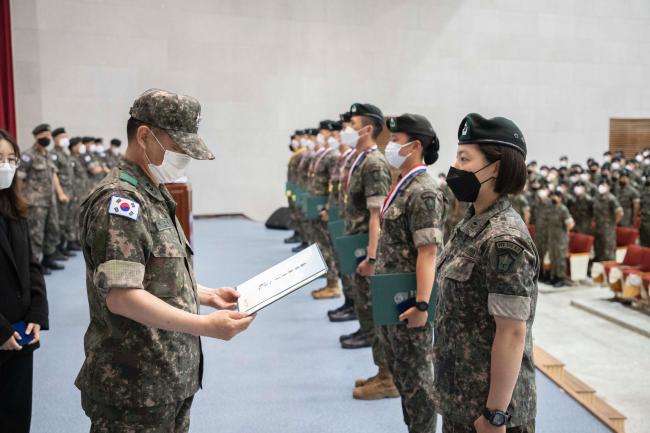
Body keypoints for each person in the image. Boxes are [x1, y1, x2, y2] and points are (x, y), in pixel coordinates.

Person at [75, 89, 255, 432]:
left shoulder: (151, 191)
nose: (183, 158)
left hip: (167, 375)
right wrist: (206, 326)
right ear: (145, 135)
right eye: (177, 148)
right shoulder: (120, 202)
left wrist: (206, 294)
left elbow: (154, 273)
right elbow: (122, 296)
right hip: (134, 386)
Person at [435, 113, 537, 433]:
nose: (455, 166)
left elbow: (512, 332)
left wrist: (495, 416)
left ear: (495, 167)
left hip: (489, 412)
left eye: (465, 158)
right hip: (460, 398)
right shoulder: (470, 224)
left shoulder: (504, 239)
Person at [374, 114, 444, 433]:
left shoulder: (424, 191)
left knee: (417, 381)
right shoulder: (402, 184)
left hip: (410, 302)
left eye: (396, 139)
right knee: (404, 375)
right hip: (393, 296)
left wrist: (423, 305)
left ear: (415, 146)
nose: (390, 145)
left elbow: (427, 252)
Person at [342, 103, 397, 400]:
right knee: (366, 312)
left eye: (352, 123)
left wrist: (372, 256)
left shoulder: (374, 163)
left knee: (375, 313)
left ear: (367, 129)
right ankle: (382, 370)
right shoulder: (361, 160)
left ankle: (389, 377)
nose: (347, 129)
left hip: (368, 247)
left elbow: (377, 215)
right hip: (358, 244)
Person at [0, 129, 49, 433]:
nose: (5, 166)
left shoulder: (15, 209)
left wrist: (37, 315)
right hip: (1, 332)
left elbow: (31, 265)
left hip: (20, 336)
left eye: (10, 159)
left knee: (16, 415)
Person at [17, 123, 66, 274]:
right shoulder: (27, 155)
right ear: (35, 137)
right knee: (36, 235)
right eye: (43, 136)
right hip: (35, 202)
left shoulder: (48, 155)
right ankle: (35, 265)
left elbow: (53, 176)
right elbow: (19, 179)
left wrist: (60, 193)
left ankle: (48, 259)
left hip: (50, 201)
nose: (46, 138)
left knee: (52, 231)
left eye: (48, 136)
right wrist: (18, 199)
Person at [51, 127, 78, 257]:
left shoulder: (65, 154)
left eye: (65, 137)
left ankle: (64, 246)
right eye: (62, 137)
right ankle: (57, 249)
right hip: (60, 193)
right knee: (60, 222)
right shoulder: (53, 154)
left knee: (68, 220)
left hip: (69, 192)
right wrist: (60, 192)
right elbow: (53, 175)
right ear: (54, 139)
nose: (65, 139)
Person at [546, 190, 574, 287]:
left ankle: (561, 278)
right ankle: (554, 277)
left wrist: (566, 233)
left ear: (560, 198)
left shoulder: (563, 209)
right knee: (553, 257)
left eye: (556, 196)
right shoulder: (551, 208)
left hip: (560, 238)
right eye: (553, 196)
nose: (553, 198)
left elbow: (570, 224)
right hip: (552, 237)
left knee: (560, 259)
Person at [593, 181, 623, 262]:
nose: (602, 187)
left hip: (608, 228)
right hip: (598, 226)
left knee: (608, 249)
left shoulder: (611, 198)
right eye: (601, 185)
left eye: (604, 185)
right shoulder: (597, 198)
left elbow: (620, 212)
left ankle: (609, 268)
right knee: (598, 248)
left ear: (609, 187)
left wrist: (614, 223)